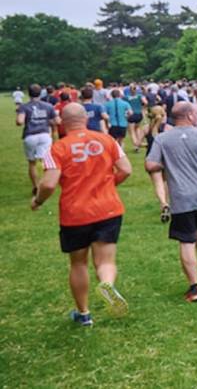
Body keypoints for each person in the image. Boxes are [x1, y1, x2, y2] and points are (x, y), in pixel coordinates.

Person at [32, 103, 132, 325]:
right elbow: (126, 169)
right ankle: (107, 284)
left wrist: (38, 200)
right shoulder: (107, 140)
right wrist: (109, 185)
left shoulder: (58, 148)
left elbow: (48, 183)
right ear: (85, 119)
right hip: (108, 208)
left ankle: (83, 314)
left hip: (75, 213)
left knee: (78, 263)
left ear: (62, 122)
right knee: (105, 260)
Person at [145, 102, 197, 303]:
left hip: (182, 195)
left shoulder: (163, 138)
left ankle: (194, 288)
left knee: (187, 240)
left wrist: (166, 164)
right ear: (190, 115)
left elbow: (150, 164)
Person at [17, 84, 58, 193]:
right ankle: (47, 183)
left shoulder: (24, 107)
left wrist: (20, 120)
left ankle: (36, 186)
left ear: (28, 93)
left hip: (30, 136)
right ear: (40, 93)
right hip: (44, 135)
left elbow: (20, 121)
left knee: (32, 163)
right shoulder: (48, 106)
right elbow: (56, 121)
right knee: (47, 162)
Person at [125, 85, 147, 152]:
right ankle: (139, 142)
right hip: (139, 114)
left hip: (131, 115)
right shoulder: (139, 96)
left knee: (132, 131)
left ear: (130, 90)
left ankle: (136, 146)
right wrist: (142, 107)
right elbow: (145, 102)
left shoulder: (127, 97)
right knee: (137, 128)